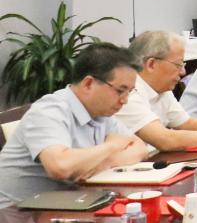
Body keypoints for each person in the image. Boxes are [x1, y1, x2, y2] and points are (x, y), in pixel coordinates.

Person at [0, 43, 149, 208]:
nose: (125, 100)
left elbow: (140, 148)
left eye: (129, 92)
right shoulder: (49, 110)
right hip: (16, 214)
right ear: (88, 84)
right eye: (120, 90)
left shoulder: (101, 113)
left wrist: (104, 163)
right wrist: (110, 147)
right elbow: (60, 166)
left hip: (67, 206)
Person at [117, 31, 197, 151]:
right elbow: (165, 140)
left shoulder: (162, 89)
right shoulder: (128, 94)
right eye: (178, 64)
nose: (183, 72)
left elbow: (187, 124)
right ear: (151, 64)